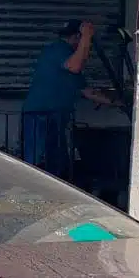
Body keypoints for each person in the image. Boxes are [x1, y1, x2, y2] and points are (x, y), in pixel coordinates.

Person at [21, 20, 119, 179]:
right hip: (40, 115)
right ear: (76, 38)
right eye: (83, 41)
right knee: (36, 161)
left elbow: (87, 91)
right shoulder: (59, 50)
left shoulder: (69, 61)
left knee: (57, 162)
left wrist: (117, 103)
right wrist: (87, 36)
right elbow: (75, 66)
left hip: (57, 116)